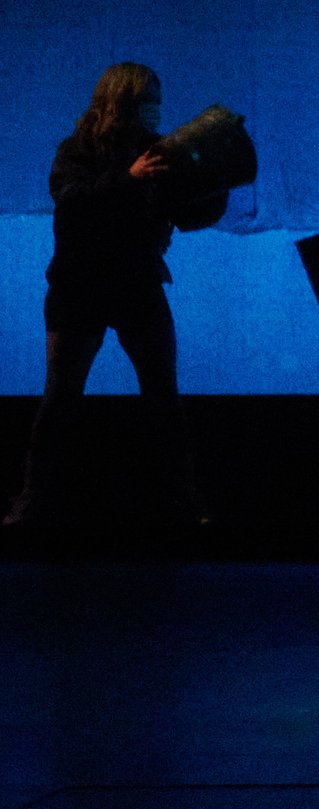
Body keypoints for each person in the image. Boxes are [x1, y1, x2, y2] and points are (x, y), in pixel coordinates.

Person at [7, 63, 215, 529]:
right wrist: (129, 178)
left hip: (138, 285)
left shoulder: (157, 152)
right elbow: (71, 201)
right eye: (147, 99)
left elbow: (184, 212)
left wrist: (212, 180)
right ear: (122, 101)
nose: (156, 109)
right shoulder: (77, 148)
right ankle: (31, 499)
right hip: (78, 288)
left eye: (158, 99)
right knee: (60, 396)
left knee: (163, 397)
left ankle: (185, 501)